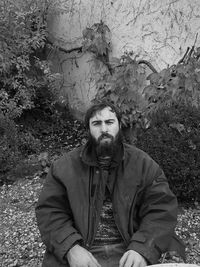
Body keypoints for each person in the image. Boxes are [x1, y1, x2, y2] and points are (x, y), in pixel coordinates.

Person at [35, 102, 185, 267]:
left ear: (119, 125)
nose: (104, 129)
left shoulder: (143, 164)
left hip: (130, 247)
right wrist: (71, 248)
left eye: (109, 122)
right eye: (97, 123)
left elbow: (161, 209)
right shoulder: (64, 168)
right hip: (83, 249)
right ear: (88, 129)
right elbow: (50, 212)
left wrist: (143, 248)